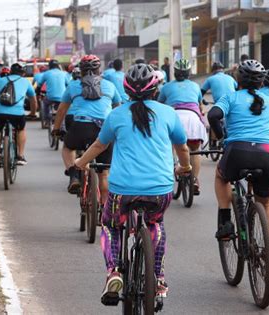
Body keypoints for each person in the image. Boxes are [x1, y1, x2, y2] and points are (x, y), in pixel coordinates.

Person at [74, 63, 190, 300]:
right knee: (155, 223)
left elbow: (99, 145)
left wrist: (80, 163)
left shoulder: (116, 115)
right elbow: (182, 147)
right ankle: (157, 279)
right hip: (160, 189)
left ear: (126, 90)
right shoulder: (168, 113)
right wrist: (185, 167)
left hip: (122, 191)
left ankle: (114, 271)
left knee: (111, 226)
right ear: (155, 89)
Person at [207, 59, 269, 278]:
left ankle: (225, 222)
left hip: (236, 152)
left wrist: (222, 137)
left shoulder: (230, 97)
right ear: (261, 83)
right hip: (266, 156)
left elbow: (213, 116)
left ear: (238, 80)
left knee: (222, 177)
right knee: (267, 203)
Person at [52, 54, 120, 202]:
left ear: (81, 70)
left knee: (68, 148)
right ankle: (104, 209)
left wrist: (56, 129)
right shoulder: (110, 85)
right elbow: (118, 108)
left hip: (80, 126)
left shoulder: (74, 85)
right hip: (104, 129)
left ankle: (74, 175)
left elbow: (62, 111)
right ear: (99, 70)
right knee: (104, 173)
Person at [158, 58, 207, 195]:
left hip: (174, 118)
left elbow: (159, 104)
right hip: (192, 119)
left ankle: (174, 169)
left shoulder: (166, 87)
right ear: (189, 72)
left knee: (171, 147)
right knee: (194, 149)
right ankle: (195, 180)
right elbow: (200, 105)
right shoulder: (195, 86)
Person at [0, 63, 38, 167]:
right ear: (22, 73)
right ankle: (20, 156)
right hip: (17, 114)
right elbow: (33, 101)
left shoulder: (0, 81)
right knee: (21, 130)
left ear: (10, 72)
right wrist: (32, 113)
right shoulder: (26, 82)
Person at [37, 59, 70, 127]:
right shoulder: (63, 73)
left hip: (50, 97)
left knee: (45, 104)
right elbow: (68, 85)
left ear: (49, 66)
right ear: (58, 66)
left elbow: (39, 85)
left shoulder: (46, 73)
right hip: (62, 98)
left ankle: (47, 120)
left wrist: (37, 92)